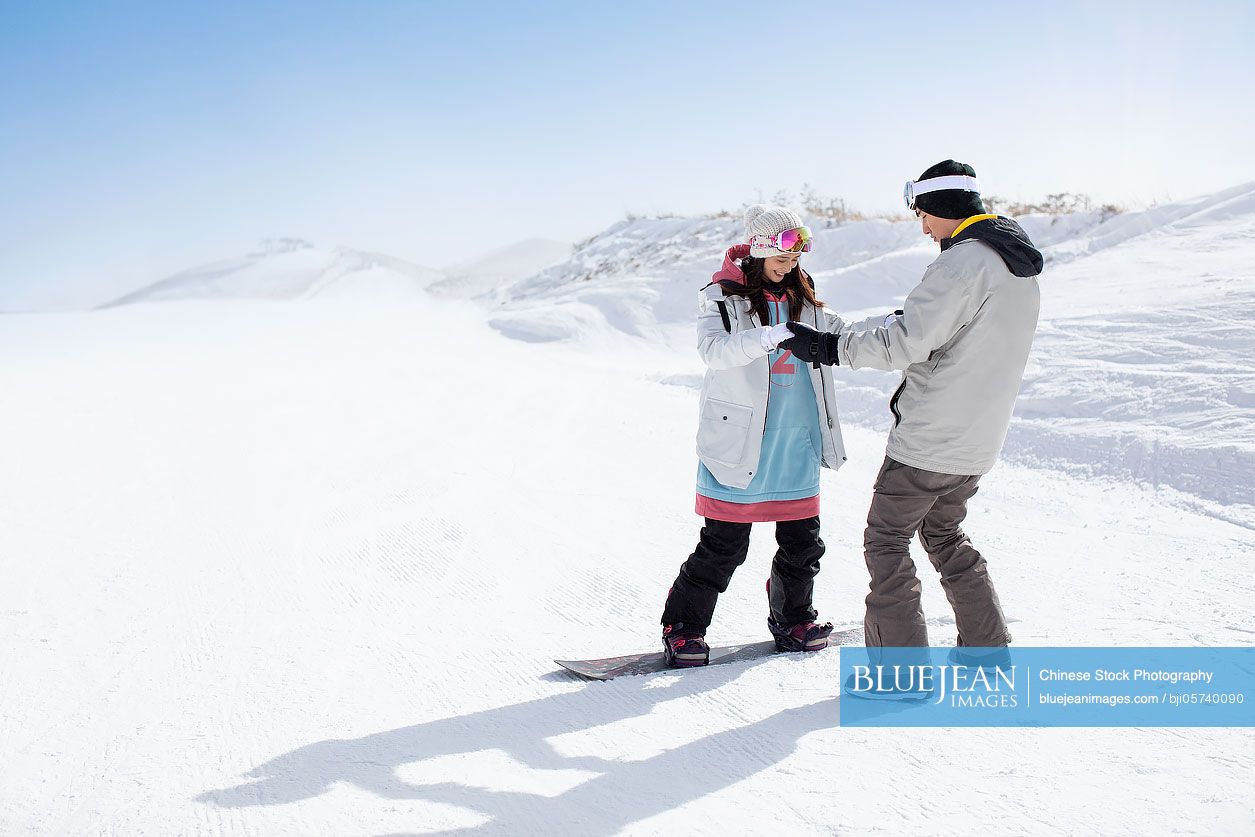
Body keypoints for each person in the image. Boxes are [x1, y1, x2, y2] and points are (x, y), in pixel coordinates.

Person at [780, 160, 1043, 665]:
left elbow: (906, 343)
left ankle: (900, 670)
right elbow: (952, 332)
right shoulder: (1015, 265)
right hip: (977, 441)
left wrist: (830, 347)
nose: (923, 227)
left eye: (923, 214)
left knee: (886, 540)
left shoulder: (961, 263)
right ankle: (988, 653)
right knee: (945, 534)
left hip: (928, 440)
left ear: (943, 207)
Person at [659, 204, 854, 667]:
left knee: (803, 543)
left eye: (795, 258)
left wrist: (889, 330)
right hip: (743, 442)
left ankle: (793, 618)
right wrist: (771, 336)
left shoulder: (804, 299)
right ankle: (682, 627)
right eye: (782, 257)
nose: (790, 266)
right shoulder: (721, 298)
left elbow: (839, 334)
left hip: (795, 441)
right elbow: (714, 351)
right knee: (725, 545)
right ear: (760, 251)